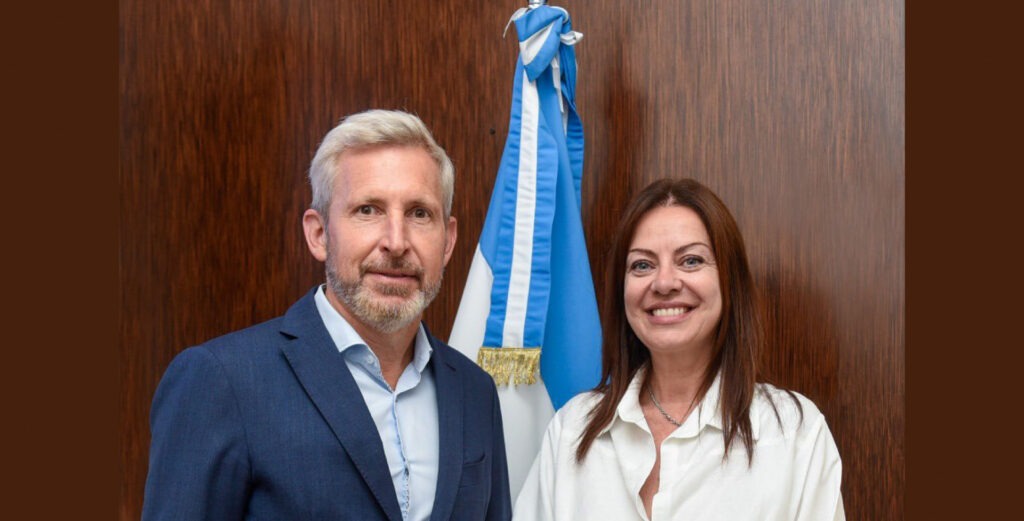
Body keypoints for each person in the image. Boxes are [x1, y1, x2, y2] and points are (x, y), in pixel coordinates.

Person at [142, 109, 512, 521]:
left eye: (419, 213)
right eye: (368, 210)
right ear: (319, 234)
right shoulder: (222, 382)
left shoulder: (475, 392)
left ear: (448, 241)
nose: (396, 242)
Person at [513, 178, 844, 520]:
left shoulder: (794, 434)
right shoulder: (571, 430)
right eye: (642, 265)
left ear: (729, 281)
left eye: (690, 261)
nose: (664, 283)